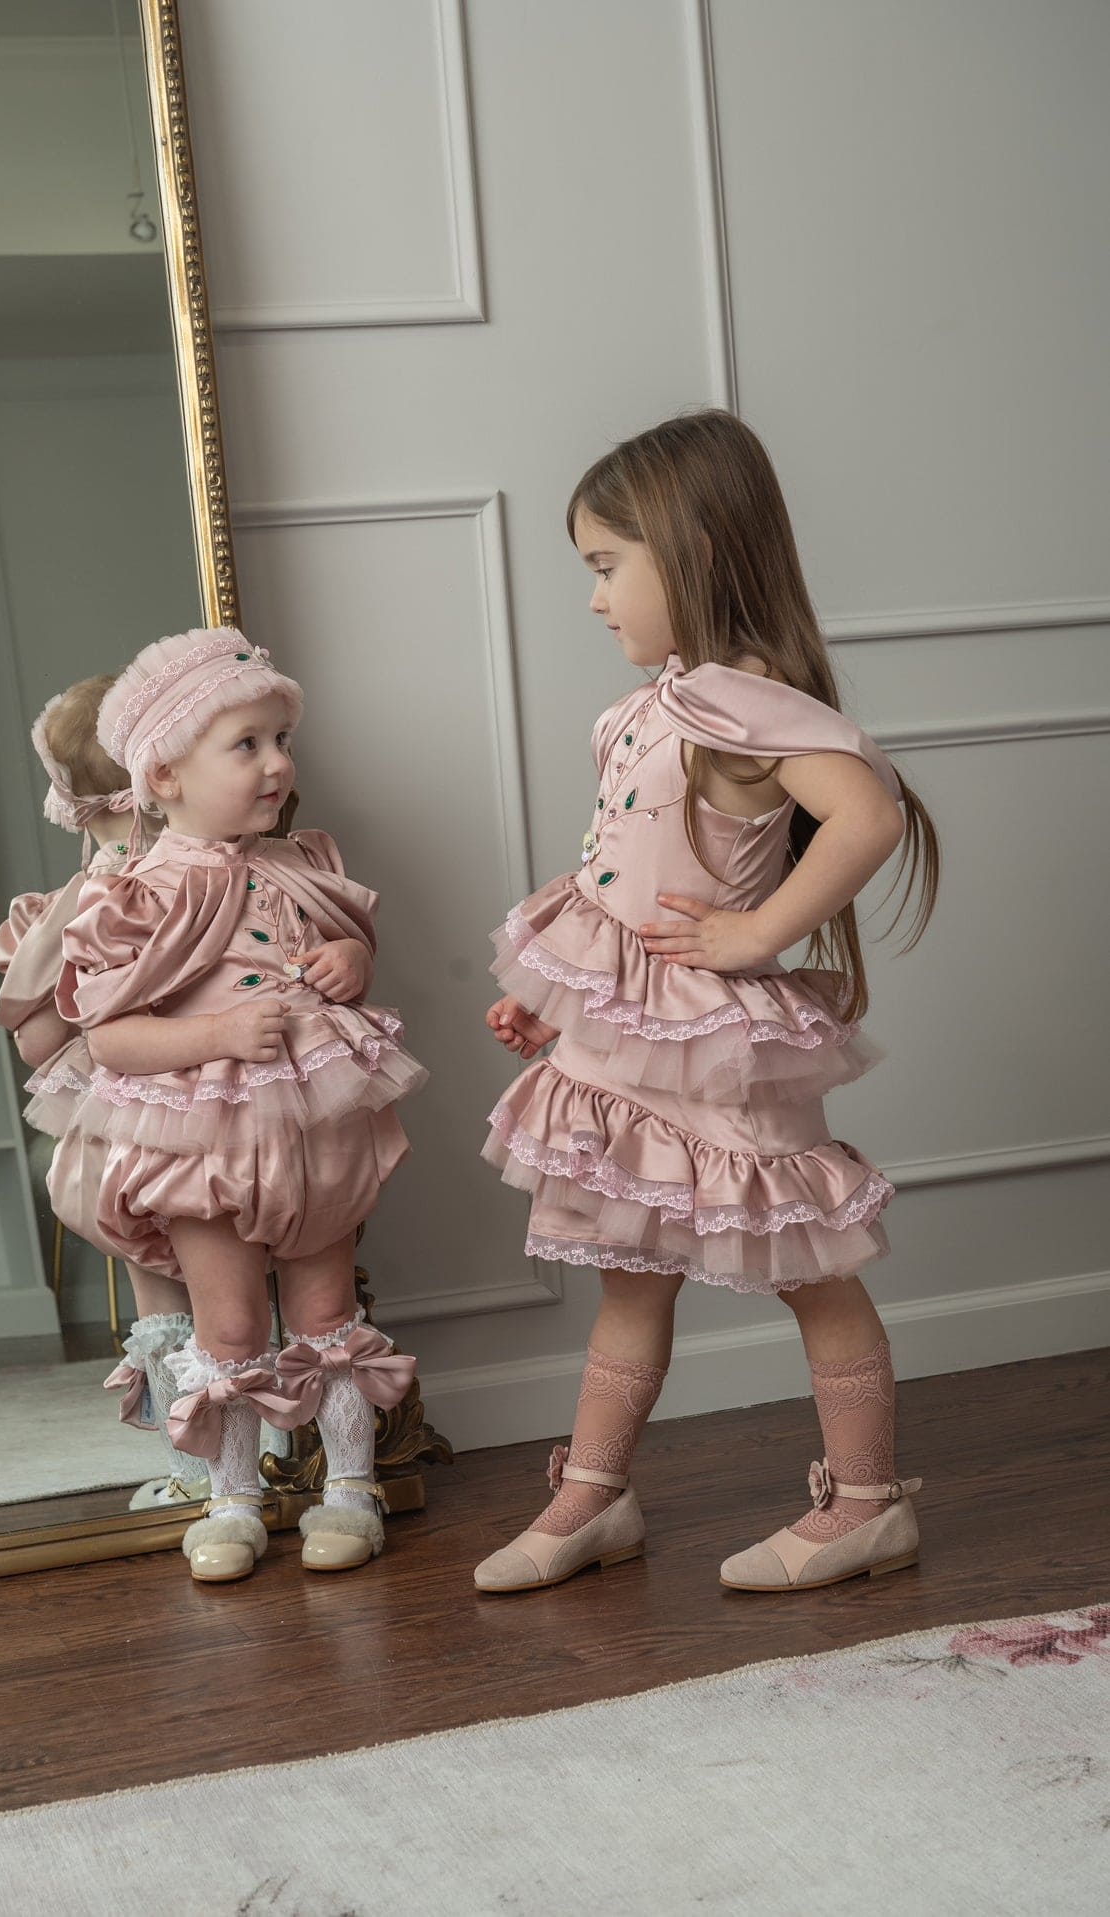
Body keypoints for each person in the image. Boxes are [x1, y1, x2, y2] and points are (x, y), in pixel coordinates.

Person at [475, 410, 940, 1595]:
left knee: (812, 1270)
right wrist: (557, 1008)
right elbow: (612, 890)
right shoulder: (650, 709)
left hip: (716, 1048)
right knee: (627, 1272)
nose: (595, 600)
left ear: (692, 551)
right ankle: (594, 1494)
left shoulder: (746, 709)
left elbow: (870, 814)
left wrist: (758, 933)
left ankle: (868, 1507)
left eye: (606, 566)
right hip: (621, 1043)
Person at [43, 630, 426, 1584]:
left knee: (327, 1311)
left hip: (311, 1127)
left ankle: (350, 1489)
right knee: (230, 1329)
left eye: (281, 739)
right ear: (164, 775)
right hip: (199, 1145)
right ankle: (233, 1501)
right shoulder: (132, 896)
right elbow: (110, 1039)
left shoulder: (299, 863)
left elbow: (350, 946)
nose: (277, 763)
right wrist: (215, 1034)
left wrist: (349, 963)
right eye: (246, 745)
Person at [0, 676, 205, 1509]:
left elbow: (36, 1036)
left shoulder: (89, 899)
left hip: (126, 1109)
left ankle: (196, 1466)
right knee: (231, 1274)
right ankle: (258, 1447)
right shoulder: (204, 868)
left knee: (160, 1283)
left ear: (68, 794)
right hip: (216, 1096)